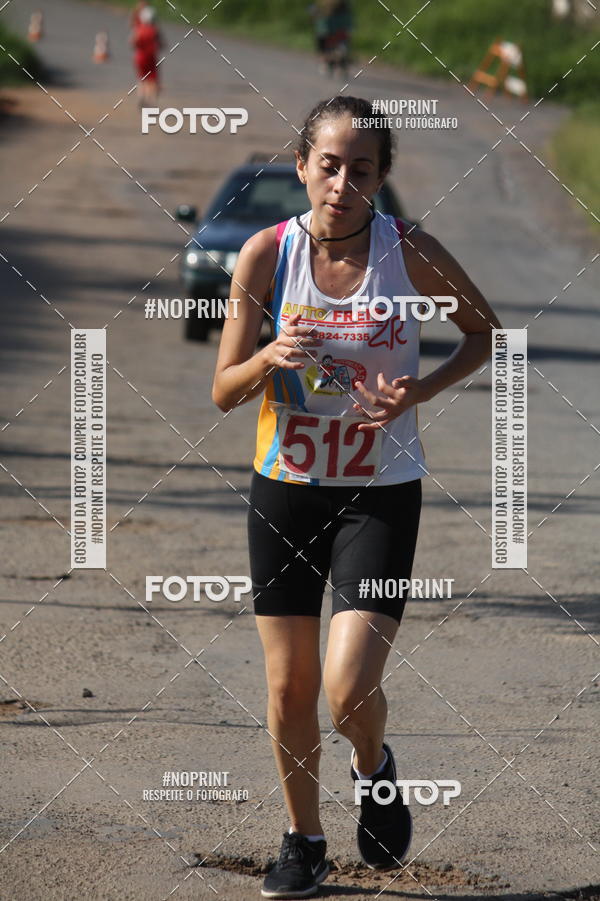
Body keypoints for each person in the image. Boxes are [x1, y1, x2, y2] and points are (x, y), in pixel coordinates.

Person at [212, 96, 501, 899]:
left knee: (347, 689)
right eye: (328, 164)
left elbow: (483, 331)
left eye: (361, 169)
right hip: (285, 492)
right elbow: (222, 390)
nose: (342, 182)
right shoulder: (265, 259)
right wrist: (270, 354)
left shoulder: (408, 252)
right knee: (287, 688)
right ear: (302, 165)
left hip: (378, 495)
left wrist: (420, 392)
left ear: (380, 181)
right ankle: (302, 840)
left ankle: (373, 763)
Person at [130, 6, 162, 106]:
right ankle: (151, 101)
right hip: (151, 57)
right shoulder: (154, 30)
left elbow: (132, 42)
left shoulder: (139, 29)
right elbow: (161, 44)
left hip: (139, 57)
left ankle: (141, 97)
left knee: (142, 78)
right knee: (152, 79)